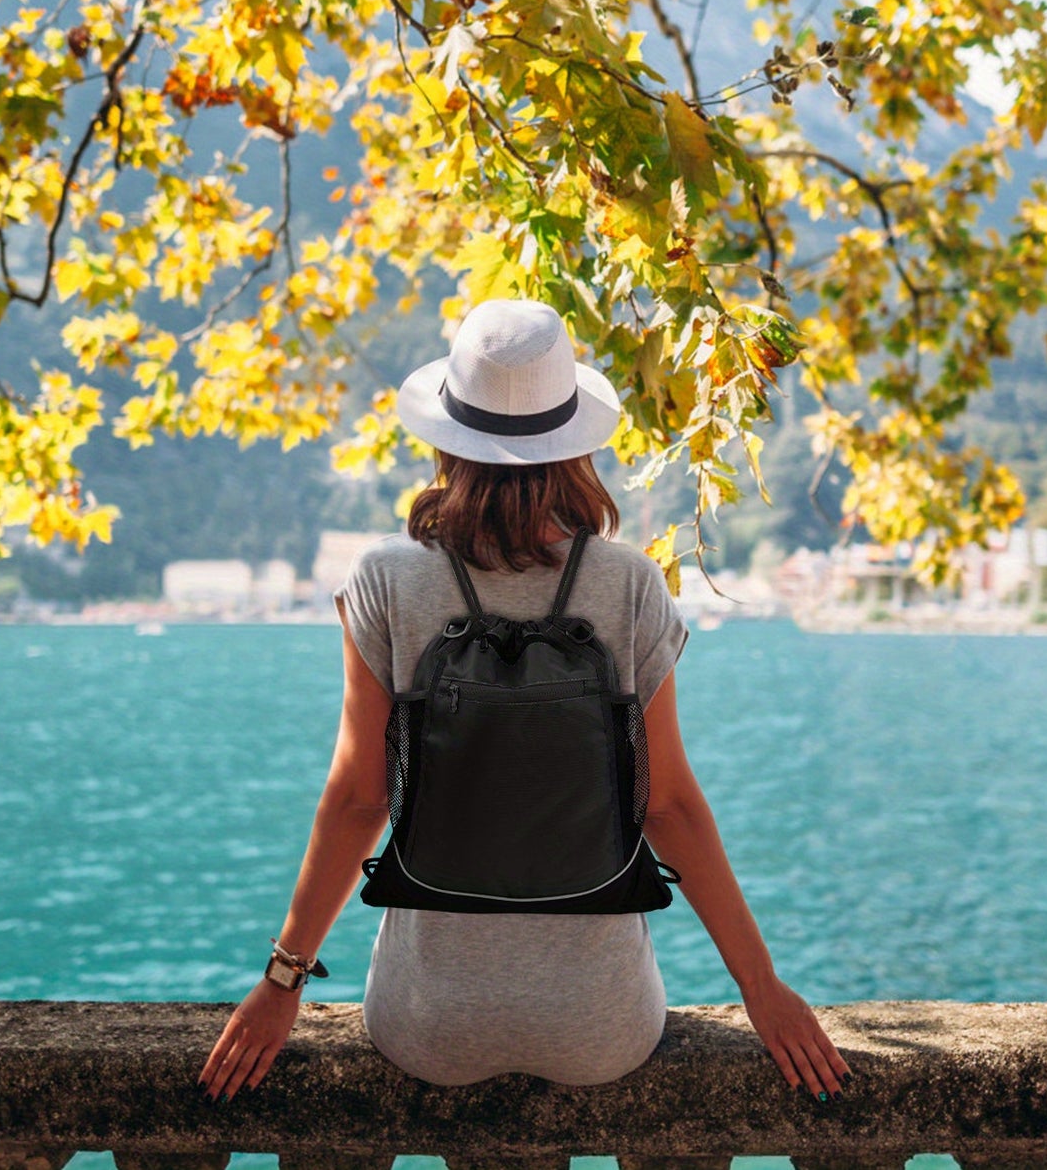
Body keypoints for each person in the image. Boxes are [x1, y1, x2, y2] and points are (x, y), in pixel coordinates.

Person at [198, 296, 851, 1102]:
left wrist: (282, 981)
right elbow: (669, 806)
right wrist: (762, 989)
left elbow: (357, 797)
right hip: (603, 1026)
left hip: (425, 1020)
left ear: (446, 434)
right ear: (570, 437)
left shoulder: (386, 578)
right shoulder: (628, 583)